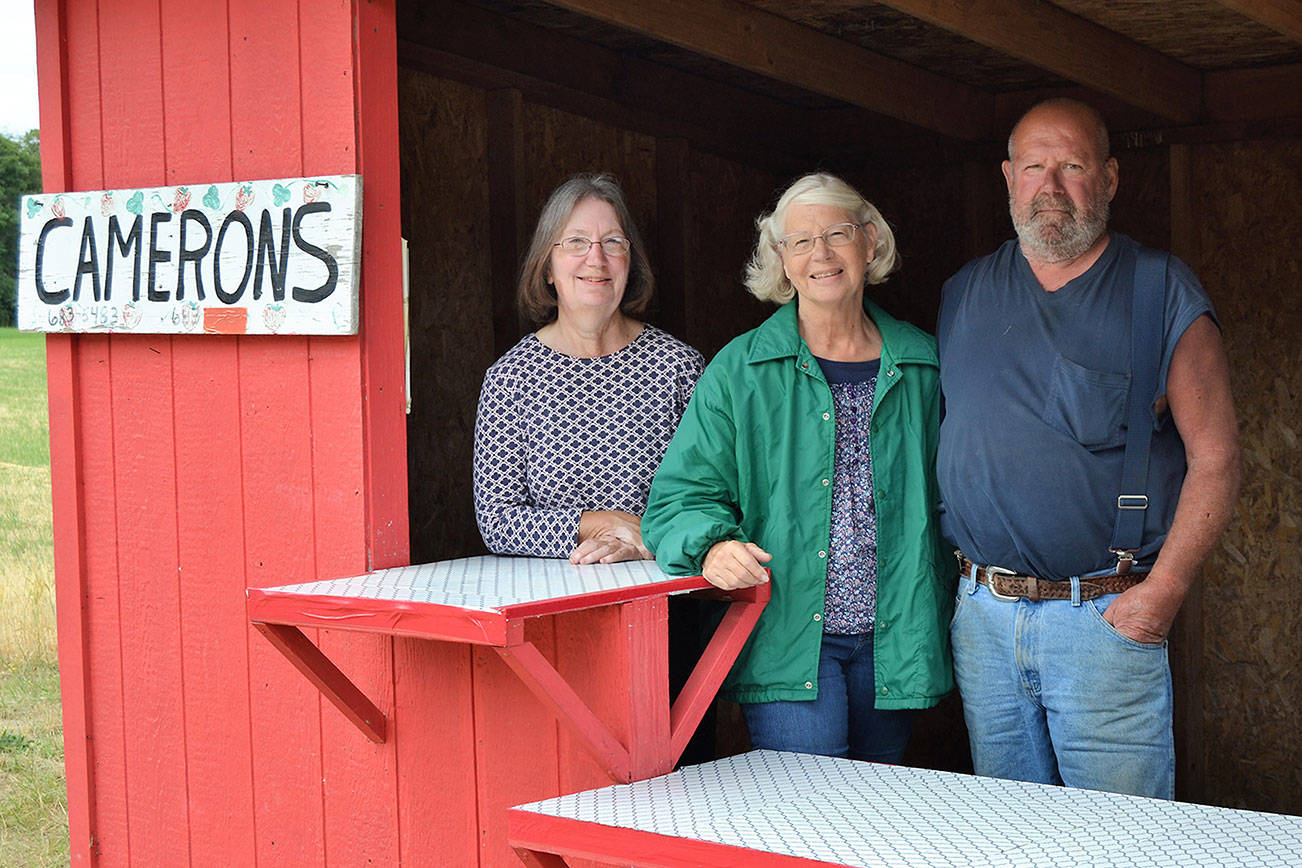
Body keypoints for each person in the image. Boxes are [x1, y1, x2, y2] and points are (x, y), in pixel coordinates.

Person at [937, 98, 1240, 798]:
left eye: (1072, 166)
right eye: (1035, 167)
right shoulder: (964, 293)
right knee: (1012, 838)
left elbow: (1218, 458)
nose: (1052, 186)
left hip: (1103, 619)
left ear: (1108, 179)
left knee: (1121, 840)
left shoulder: (1160, 290)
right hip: (984, 618)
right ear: (1008, 176)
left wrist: (1160, 594)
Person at [642, 173, 953, 763]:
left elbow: (971, 486)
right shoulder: (741, 368)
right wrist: (710, 548)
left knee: (880, 813)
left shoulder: (924, 363)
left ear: (870, 243)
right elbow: (679, 498)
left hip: (898, 634)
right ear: (781, 260)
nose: (822, 254)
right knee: (811, 817)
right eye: (800, 241)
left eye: (838, 234)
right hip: (789, 632)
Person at [473, 173, 704, 564]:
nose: (596, 259)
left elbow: (710, 492)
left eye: (613, 242)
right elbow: (497, 520)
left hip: (664, 592)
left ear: (630, 264)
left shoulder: (678, 367)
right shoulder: (510, 378)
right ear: (547, 267)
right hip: (552, 602)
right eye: (576, 242)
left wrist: (645, 541)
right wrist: (599, 524)